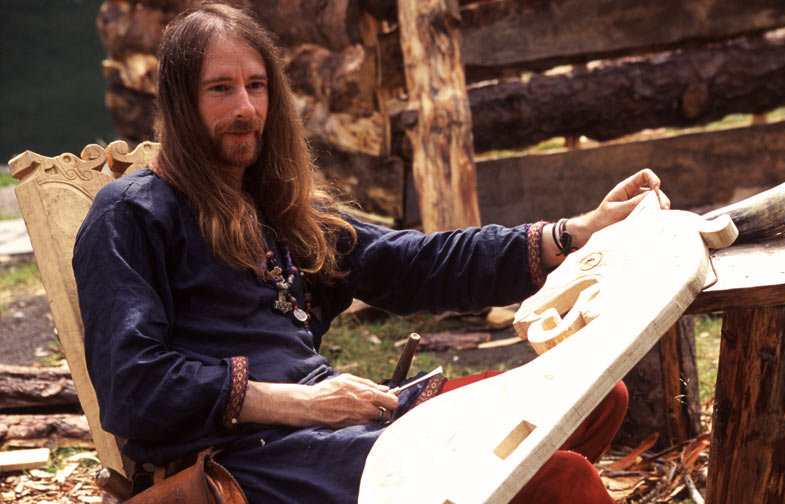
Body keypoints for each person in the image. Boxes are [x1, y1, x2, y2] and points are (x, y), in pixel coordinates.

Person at [72, 3, 670, 503]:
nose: (246, 108)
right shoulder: (131, 214)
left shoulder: (275, 206)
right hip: (241, 459)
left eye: (256, 86)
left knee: (588, 399)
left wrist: (571, 233)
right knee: (558, 479)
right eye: (221, 89)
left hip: (334, 428)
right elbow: (134, 386)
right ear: (181, 102)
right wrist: (308, 404)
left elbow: (418, 262)